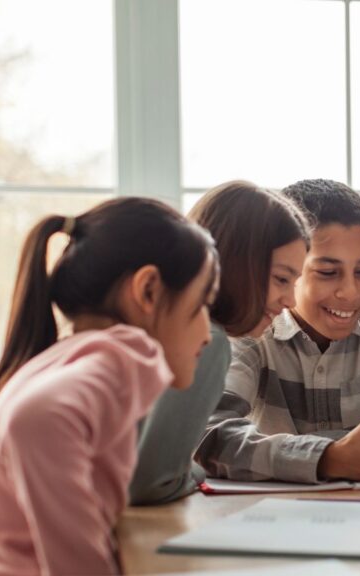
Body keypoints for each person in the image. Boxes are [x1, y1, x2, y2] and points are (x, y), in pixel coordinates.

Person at [0, 198, 218, 574]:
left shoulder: (79, 359)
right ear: (148, 291)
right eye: (202, 303)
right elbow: (37, 418)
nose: (207, 333)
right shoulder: (105, 367)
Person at [196, 179, 360, 483]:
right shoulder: (252, 335)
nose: (350, 292)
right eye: (328, 273)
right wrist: (330, 458)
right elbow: (211, 437)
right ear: (291, 270)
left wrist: (290, 454)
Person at [129, 180, 310, 504]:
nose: (291, 301)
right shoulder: (205, 341)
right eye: (281, 279)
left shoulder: (158, 327)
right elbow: (152, 482)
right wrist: (195, 471)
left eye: (295, 282)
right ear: (236, 263)